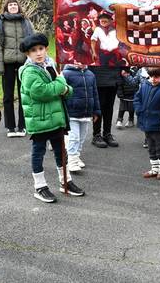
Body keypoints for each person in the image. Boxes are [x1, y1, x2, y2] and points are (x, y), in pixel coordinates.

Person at [19, 33, 84, 203]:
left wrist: (65, 89)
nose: (38, 53)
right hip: (39, 119)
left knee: (60, 151)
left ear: (46, 49)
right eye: (33, 50)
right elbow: (41, 92)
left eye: (41, 49)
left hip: (56, 118)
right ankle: (40, 186)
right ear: (28, 54)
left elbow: (66, 90)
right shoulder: (29, 71)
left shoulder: (51, 65)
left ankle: (65, 181)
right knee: (38, 152)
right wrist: (61, 85)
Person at [0, 0, 34, 138]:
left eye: (14, 4)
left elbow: (32, 42)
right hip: (8, 63)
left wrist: (34, 61)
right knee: (8, 96)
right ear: (6, 7)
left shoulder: (26, 21)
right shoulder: (1, 22)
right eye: (10, 4)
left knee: (25, 94)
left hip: (24, 62)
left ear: (18, 7)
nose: (12, 6)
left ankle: (23, 125)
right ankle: (11, 127)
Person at [134, 67, 160, 180]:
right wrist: (139, 110)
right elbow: (137, 98)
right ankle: (154, 169)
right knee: (151, 147)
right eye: (151, 76)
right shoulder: (145, 85)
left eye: (156, 77)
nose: (153, 79)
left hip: (159, 123)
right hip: (146, 122)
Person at [62, 62, 101, 172]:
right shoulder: (66, 74)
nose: (81, 62)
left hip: (86, 113)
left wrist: (96, 111)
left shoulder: (90, 75)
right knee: (73, 137)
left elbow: (95, 93)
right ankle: (72, 161)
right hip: (72, 113)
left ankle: (76, 156)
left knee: (82, 136)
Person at [89, 63, 120, 148]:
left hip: (113, 76)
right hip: (98, 75)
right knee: (99, 108)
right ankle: (96, 135)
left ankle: (107, 133)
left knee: (109, 108)